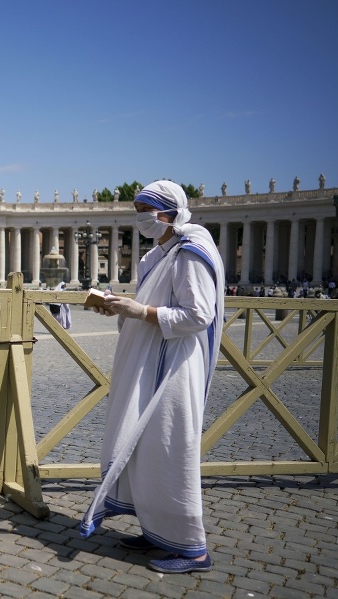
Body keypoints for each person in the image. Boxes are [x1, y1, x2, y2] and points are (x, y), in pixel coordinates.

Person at [79, 180, 224, 574]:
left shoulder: (191, 252)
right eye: (137, 209)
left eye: (146, 210)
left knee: (170, 447)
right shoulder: (157, 256)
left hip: (175, 366)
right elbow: (152, 307)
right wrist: (121, 308)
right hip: (150, 360)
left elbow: (198, 316)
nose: (140, 217)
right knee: (145, 447)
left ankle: (192, 549)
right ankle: (157, 529)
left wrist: (139, 312)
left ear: (169, 212)